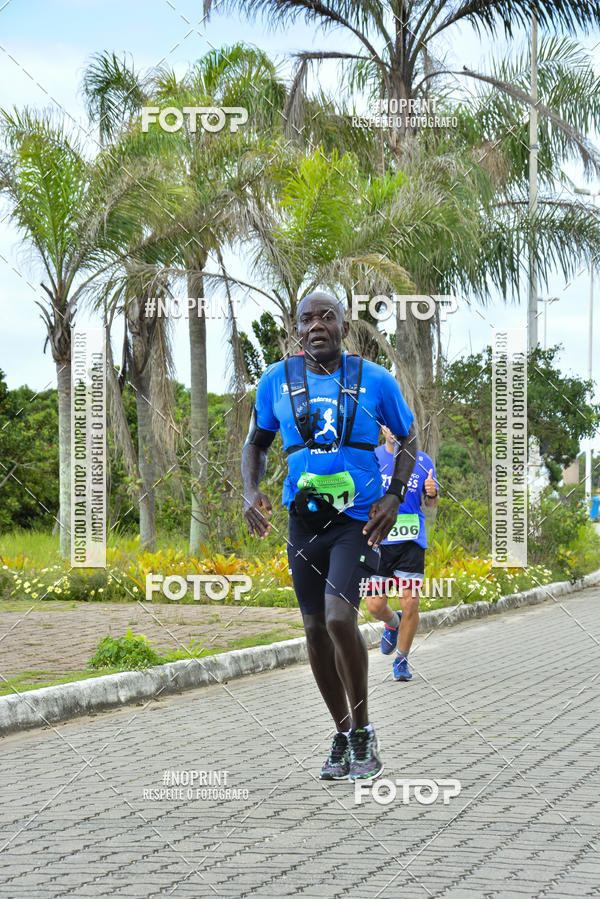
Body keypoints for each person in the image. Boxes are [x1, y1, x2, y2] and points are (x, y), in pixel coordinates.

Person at [242, 292, 416, 782]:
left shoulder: (375, 380)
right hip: (304, 523)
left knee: (341, 619)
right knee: (315, 629)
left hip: (356, 521)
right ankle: (342, 735)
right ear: (296, 328)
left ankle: (364, 730)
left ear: (344, 325)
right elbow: (255, 443)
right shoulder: (277, 380)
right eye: (307, 318)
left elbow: (408, 439)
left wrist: (394, 495)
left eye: (327, 316)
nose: (317, 324)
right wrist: (250, 491)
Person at [365, 426, 438, 681]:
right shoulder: (372, 457)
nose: (393, 431)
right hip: (379, 541)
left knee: (411, 603)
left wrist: (432, 493)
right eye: (388, 426)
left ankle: (401, 660)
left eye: (399, 427)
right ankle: (392, 622)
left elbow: (430, 504)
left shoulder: (423, 460)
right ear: (382, 429)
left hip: (410, 543)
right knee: (374, 605)